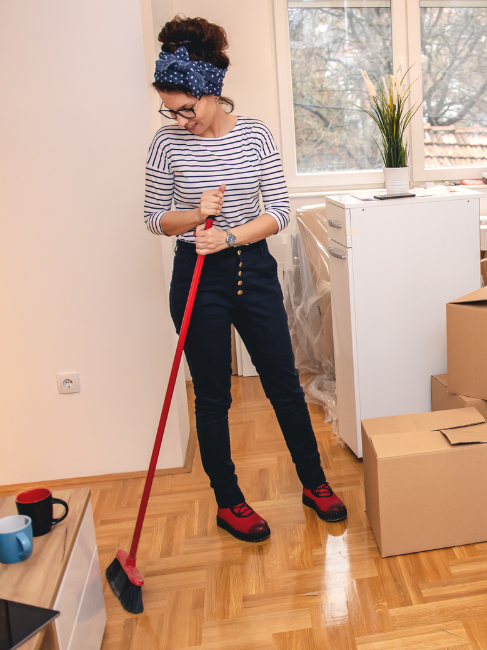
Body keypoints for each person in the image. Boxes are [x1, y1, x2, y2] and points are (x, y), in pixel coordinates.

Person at [144, 16, 346, 543]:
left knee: (284, 383)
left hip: (252, 271)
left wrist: (229, 236)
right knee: (213, 397)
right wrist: (195, 217)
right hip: (197, 278)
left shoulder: (254, 135)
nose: (180, 119)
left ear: (212, 90)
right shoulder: (166, 143)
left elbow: (278, 211)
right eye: (170, 110)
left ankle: (314, 483)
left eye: (186, 108)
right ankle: (228, 502)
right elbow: (154, 217)